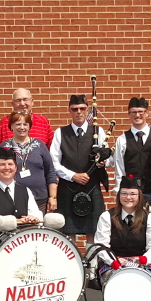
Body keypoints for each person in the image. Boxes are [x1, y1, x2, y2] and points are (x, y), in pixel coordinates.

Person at [49, 94, 108, 240]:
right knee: (68, 233)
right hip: (68, 187)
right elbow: (53, 162)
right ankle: (73, 262)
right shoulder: (60, 133)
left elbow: (108, 157)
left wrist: (104, 161)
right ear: (69, 110)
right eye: (75, 109)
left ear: (87, 110)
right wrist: (73, 176)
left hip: (92, 186)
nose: (79, 112)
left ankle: (92, 263)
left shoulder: (98, 131)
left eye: (82, 108)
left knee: (94, 232)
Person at [112, 96, 151, 217]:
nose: (137, 115)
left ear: (147, 113)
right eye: (134, 112)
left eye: (141, 112)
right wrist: (119, 192)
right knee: (131, 231)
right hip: (131, 193)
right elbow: (119, 169)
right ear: (129, 114)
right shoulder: (122, 140)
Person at [93, 175, 151, 280]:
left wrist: (142, 260)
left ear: (139, 196)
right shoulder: (107, 216)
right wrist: (114, 261)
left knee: (145, 279)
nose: (128, 197)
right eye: (124, 193)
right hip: (115, 262)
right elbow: (101, 246)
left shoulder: (150, 218)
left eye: (133, 194)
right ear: (119, 196)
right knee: (115, 279)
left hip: (142, 262)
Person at [0, 147, 44, 252]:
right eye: (2, 164)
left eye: (10, 164)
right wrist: (17, 221)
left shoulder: (25, 190)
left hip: (22, 246)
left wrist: (33, 218)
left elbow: (37, 213)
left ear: (16, 168)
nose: (7, 168)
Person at [0, 112, 58, 212]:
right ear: (11, 126)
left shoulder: (40, 145)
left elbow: (50, 172)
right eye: (18, 124)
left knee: (37, 227)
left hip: (40, 199)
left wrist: (53, 197)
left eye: (25, 124)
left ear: (29, 127)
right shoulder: (5, 147)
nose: (22, 127)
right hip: (12, 199)